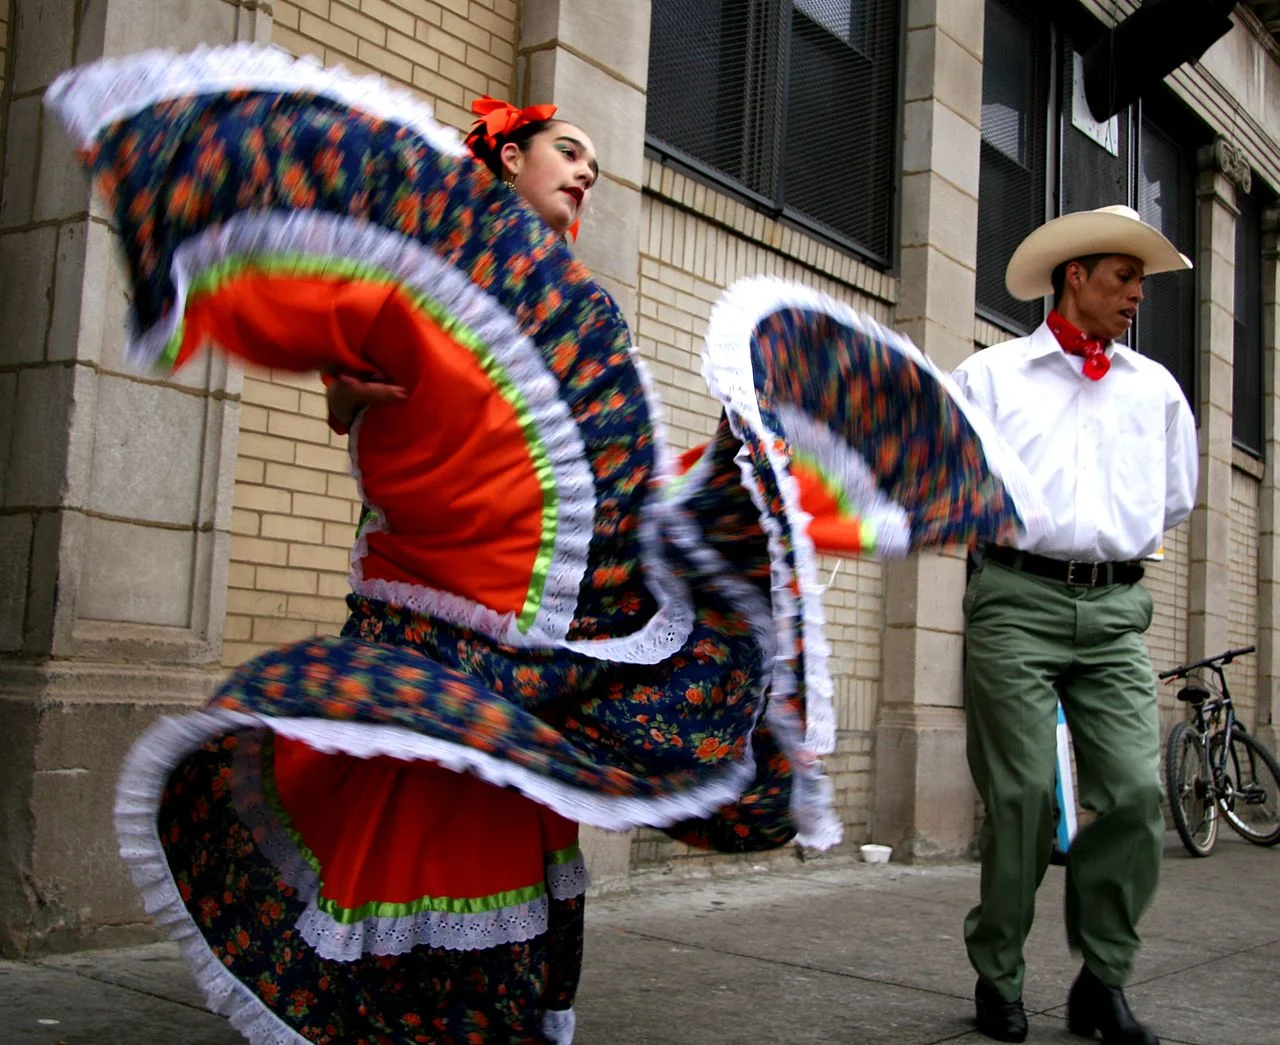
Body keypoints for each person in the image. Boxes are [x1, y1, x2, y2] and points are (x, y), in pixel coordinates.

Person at [48, 44, 1041, 1045]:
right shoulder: (426, 258)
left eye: (597, 167)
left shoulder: (582, 313)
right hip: (433, 615)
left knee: (490, 836)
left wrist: (736, 478)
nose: (585, 173)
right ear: (504, 159)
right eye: (567, 151)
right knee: (416, 830)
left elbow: (609, 485)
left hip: (538, 652)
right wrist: (348, 381)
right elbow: (345, 366)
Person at [951, 205, 1199, 1045]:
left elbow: (1174, 498)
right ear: (1075, 276)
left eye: (1141, 281)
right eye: (1124, 276)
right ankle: (999, 972)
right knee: (1021, 796)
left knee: (1133, 792)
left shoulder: (1156, 389)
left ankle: (1104, 979)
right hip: (1016, 600)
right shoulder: (992, 377)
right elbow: (943, 472)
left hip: (1117, 609)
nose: (1136, 295)